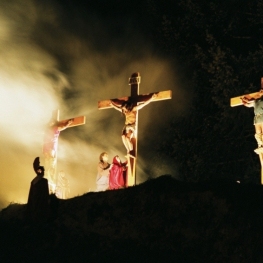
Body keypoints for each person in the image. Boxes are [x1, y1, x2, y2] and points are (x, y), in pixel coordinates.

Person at [43, 115, 73, 192]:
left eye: (52, 121)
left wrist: (68, 123)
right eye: (50, 121)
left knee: (51, 167)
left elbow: (62, 127)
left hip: (51, 149)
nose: (50, 122)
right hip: (47, 150)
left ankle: (51, 186)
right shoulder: (47, 131)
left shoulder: (55, 129)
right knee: (48, 167)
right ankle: (48, 185)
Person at [26, 157, 49, 223]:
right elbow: (45, 193)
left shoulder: (34, 181)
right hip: (41, 204)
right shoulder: (44, 181)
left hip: (34, 204)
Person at [241, 88, 263, 154]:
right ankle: (260, 145)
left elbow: (251, 101)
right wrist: (245, 102)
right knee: (258, 133)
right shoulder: (256, 100)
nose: (261, 91)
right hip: (257, 118)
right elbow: (249, 104)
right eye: (260, 90)